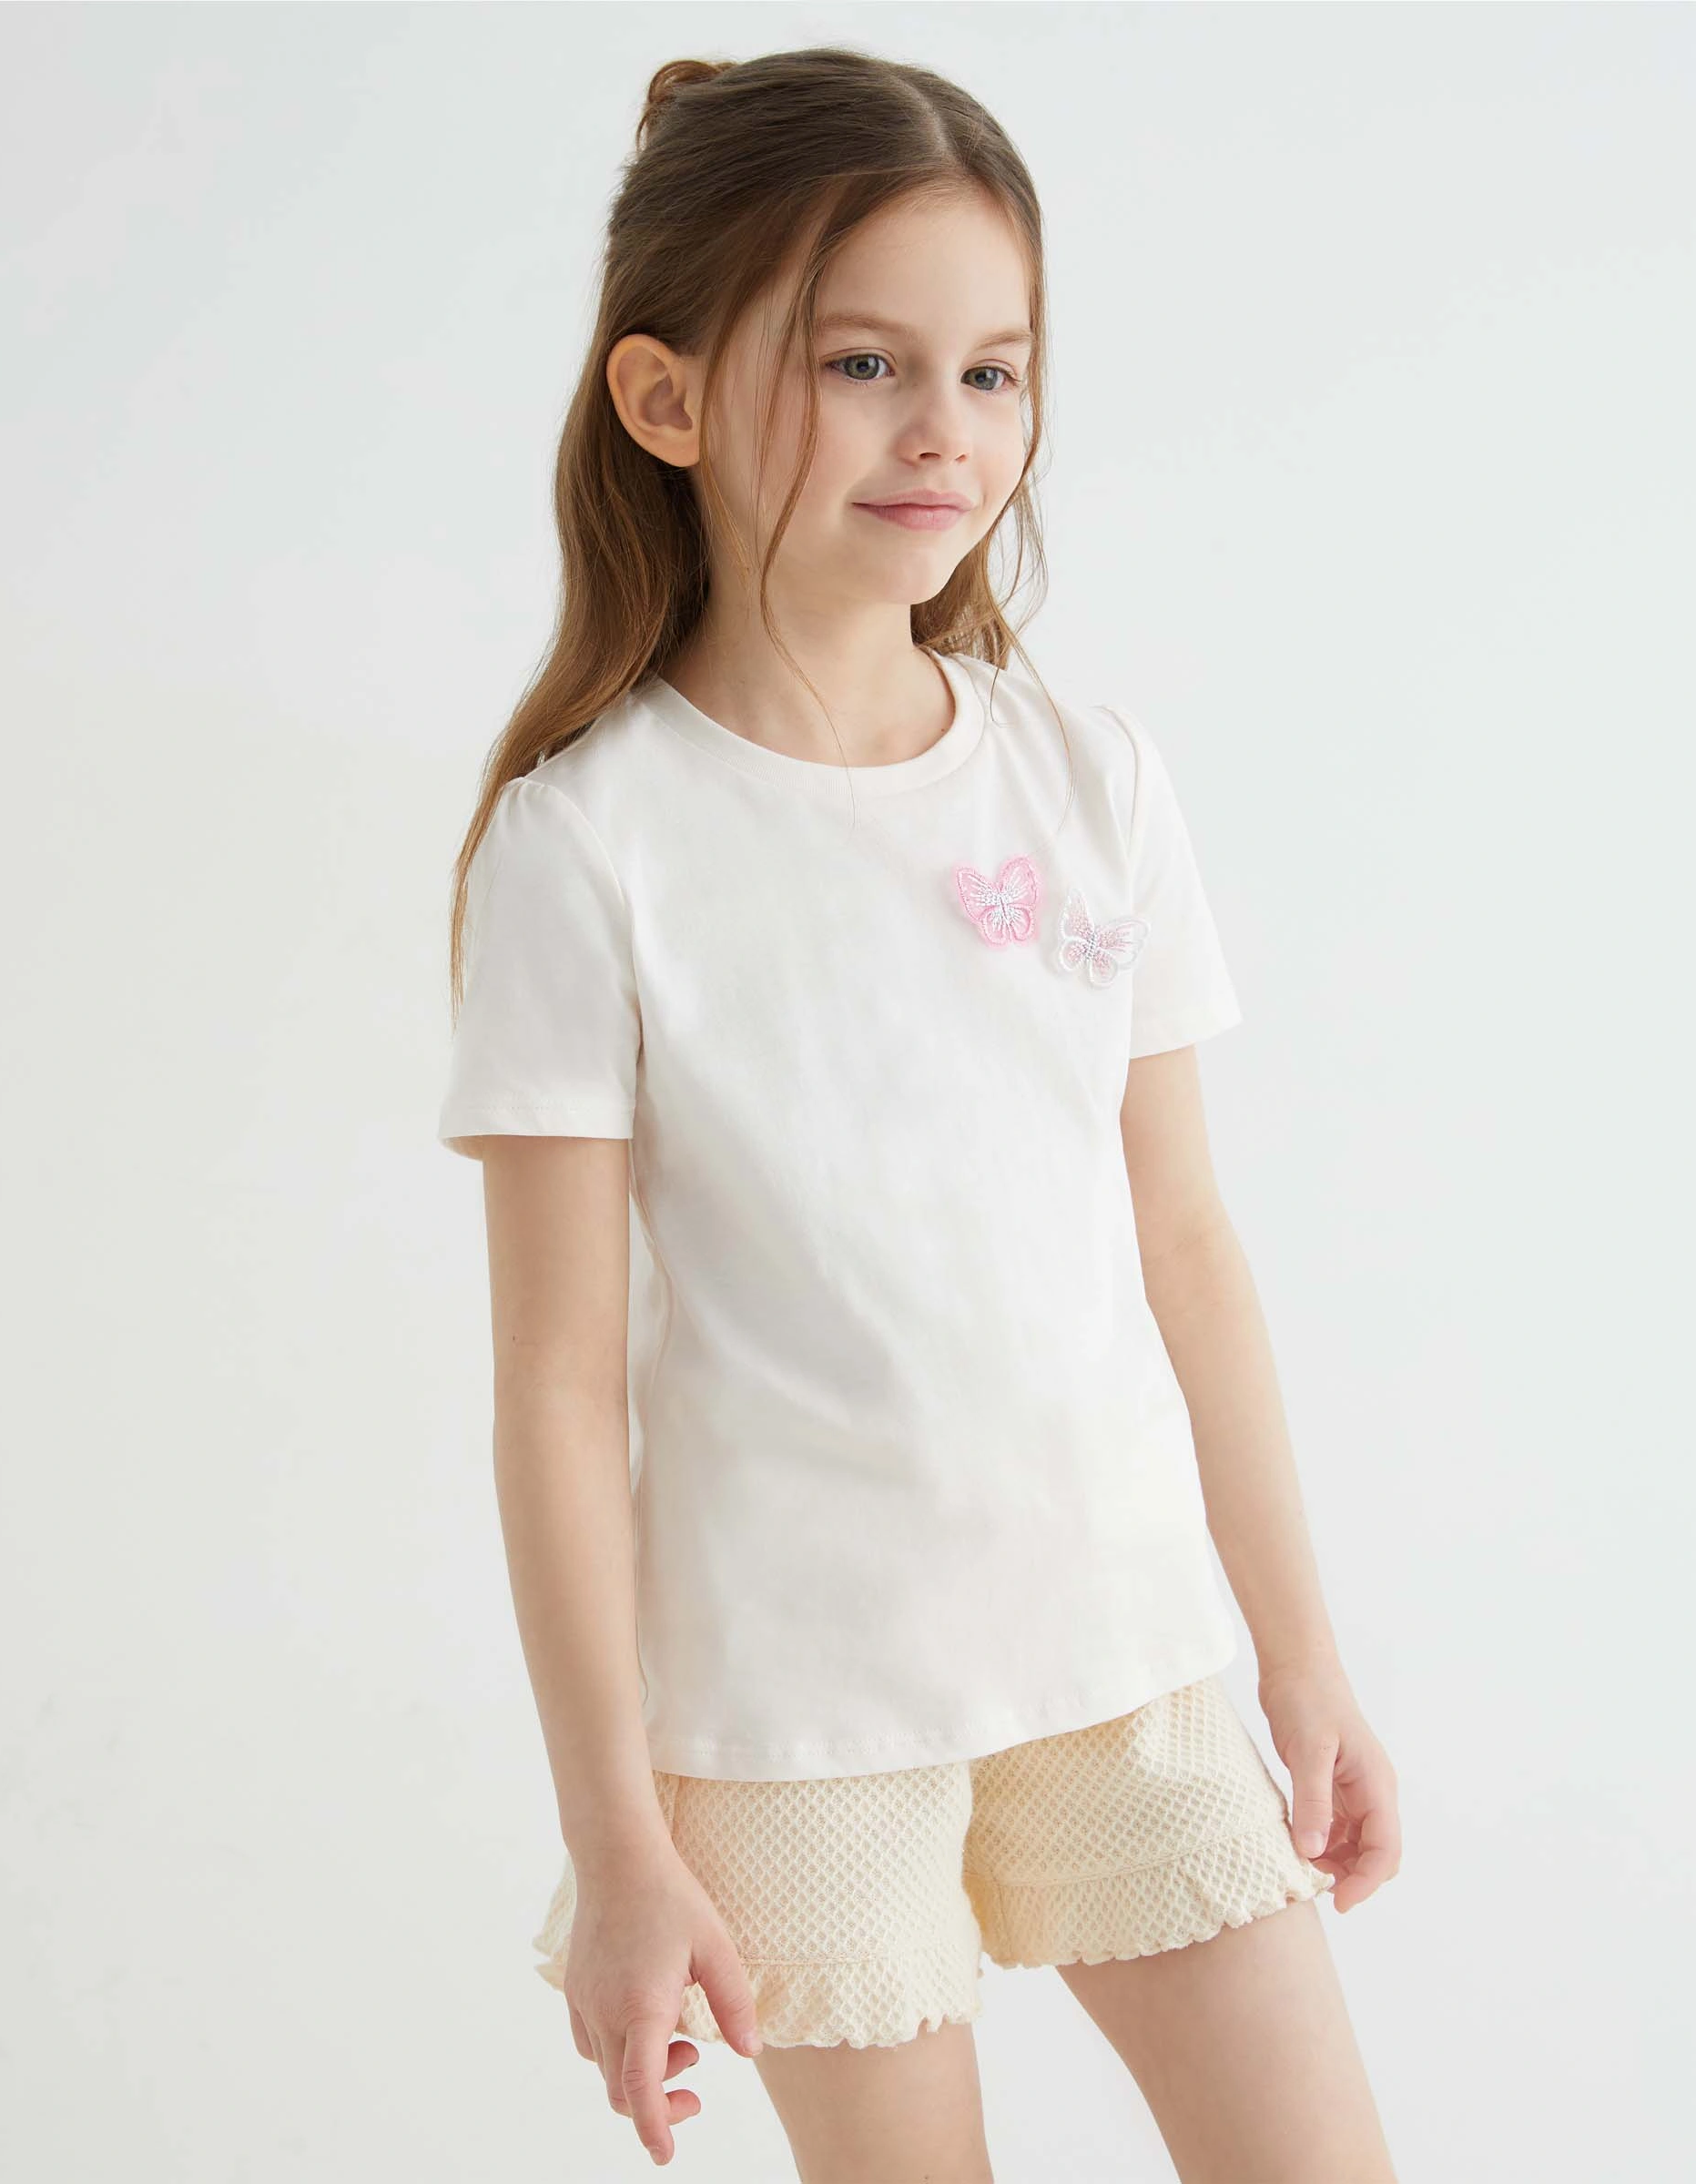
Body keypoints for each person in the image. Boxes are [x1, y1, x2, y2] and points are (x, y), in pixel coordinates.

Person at [436, 45, 1400, 2183]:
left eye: (993, 372)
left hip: (1125, 1651)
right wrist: (619, 1839)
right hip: (794, 1721)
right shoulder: (591, 849)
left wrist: (1302, 1654)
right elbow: (556, 1385)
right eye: (864, 363)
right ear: (665, 398)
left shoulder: (1090, 780)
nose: (945, 430)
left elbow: (1186, 1244)